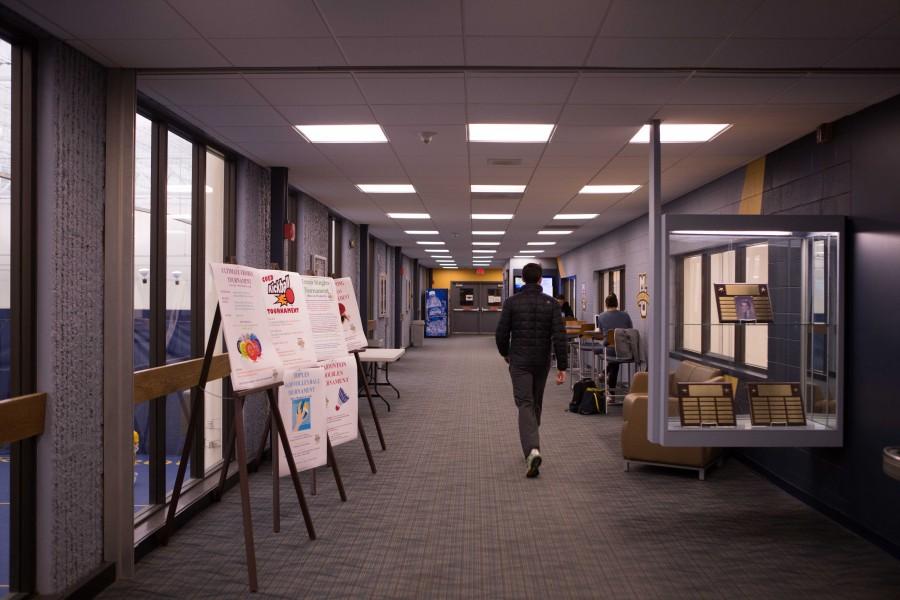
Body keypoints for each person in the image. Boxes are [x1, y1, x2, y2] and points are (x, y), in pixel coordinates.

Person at [495, 263, 568, 478]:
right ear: (539, 280)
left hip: (519, 361)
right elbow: (559, 336)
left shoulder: (511, 302)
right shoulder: (552, 304)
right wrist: (562, 366)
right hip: (541, 361)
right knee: (535, 401)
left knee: (525, 403)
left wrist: (505, 353)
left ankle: (532, 449)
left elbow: (501, 333)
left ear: (523, 279)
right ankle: (532, 441)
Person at [595, 293, 633, 390]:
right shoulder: (625, 315)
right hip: (624, 350)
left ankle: (611, 391)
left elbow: (600, 332)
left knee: (612, 356)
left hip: (609, 350)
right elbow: (630, 330)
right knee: (616, 358)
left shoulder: (601, 316)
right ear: (617, 303)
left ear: (606, 304)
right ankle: (605, 375)